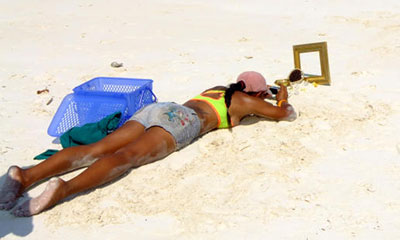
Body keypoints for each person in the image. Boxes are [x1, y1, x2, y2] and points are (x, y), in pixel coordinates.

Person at [0, 71, 296, 217]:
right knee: (126, 157)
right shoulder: (245, 101)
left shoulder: (218, 90)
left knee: (99, 148)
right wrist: (281, 93)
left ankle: (25, 176)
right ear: (258, 94)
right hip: (181, 120)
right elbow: (285, 114)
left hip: (159, 108)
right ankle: (64, 188)